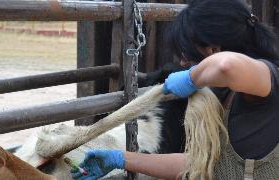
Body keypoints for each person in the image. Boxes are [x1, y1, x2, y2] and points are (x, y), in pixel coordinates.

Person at [71, 0, 279, 179]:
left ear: (214, 49)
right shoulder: (223, 95)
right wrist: (119, 159)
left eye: (187, 53)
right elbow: (197, 166)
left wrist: (191, 77)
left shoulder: (266, 77)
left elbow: (226, 66)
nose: (182, 61)